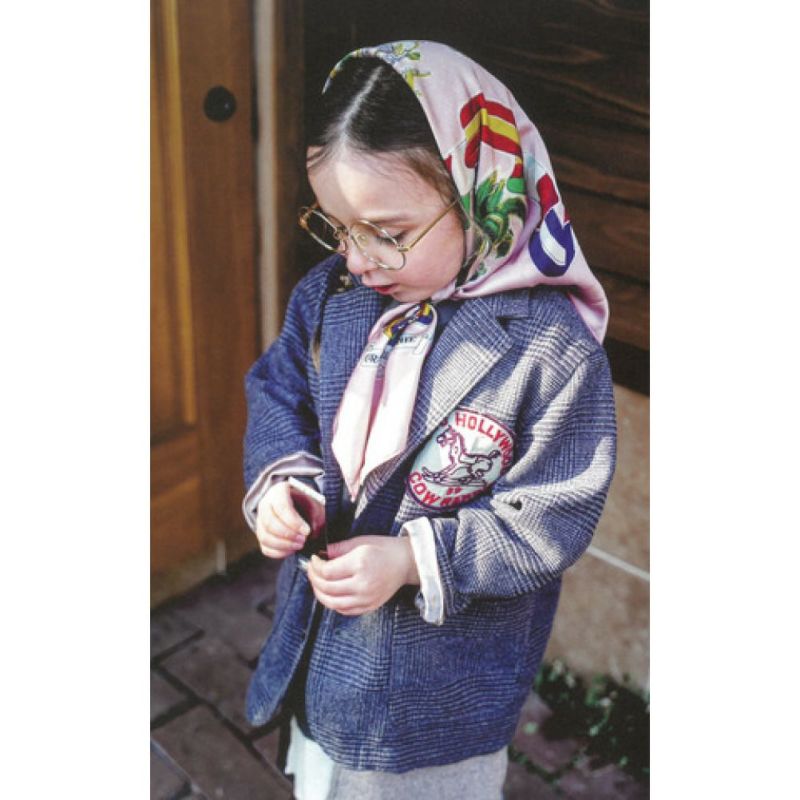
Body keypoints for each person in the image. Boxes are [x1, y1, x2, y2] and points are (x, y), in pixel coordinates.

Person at [242, 40, 616, 800]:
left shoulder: (550, 351)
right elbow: (281, 392)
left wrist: (414, 559)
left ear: (481, 194)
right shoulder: (331, 297)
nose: (359, 258)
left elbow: (550, 514)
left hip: (435, 694)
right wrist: (284, 483)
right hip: (324, 660)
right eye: (337, 226)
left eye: (388, 232)